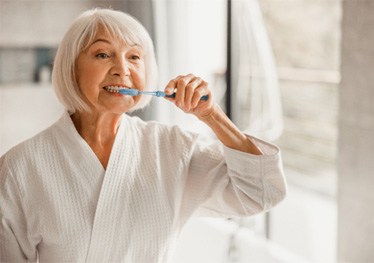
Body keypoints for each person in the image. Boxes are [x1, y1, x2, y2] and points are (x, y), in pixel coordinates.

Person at [0, 8, 287, 263]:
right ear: (71, 67)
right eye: (103, 54)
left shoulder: (174, 148)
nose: (122, 69)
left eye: (134, 57)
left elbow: (261, 193)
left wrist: (212, 115)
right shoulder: (19, 167)